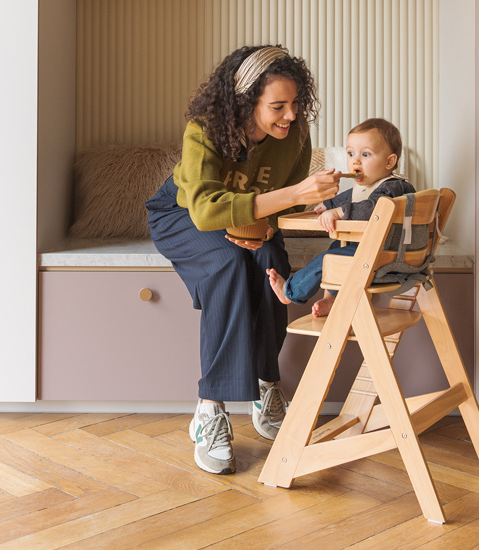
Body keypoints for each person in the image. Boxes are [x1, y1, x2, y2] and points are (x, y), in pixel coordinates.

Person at [145, 45, 343, 475]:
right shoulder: (205, 130)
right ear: (244, 102)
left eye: (295, 104)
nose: (290, 116)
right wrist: (294, 195)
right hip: (181, 213)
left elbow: (280, 210)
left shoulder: (294, 134)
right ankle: (210, 409)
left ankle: (266, 384)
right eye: (277, 106)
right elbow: (205, 210)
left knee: (270, 259)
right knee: (228, 265)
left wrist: (273, 225)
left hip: (247, 219)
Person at [267, 118, 415, 318]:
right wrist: (328, 205)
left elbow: (372, 209)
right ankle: (332, 299)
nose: (355, 161)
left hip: (385, 256)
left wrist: (338, 212)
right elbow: (348, 198)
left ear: (390, 161)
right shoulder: (368, 187)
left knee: (329, 260)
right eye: (351, 153)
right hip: (375, 251)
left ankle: (290, 292)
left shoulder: (394, 187)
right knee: (336, 247)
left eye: (366, 154)